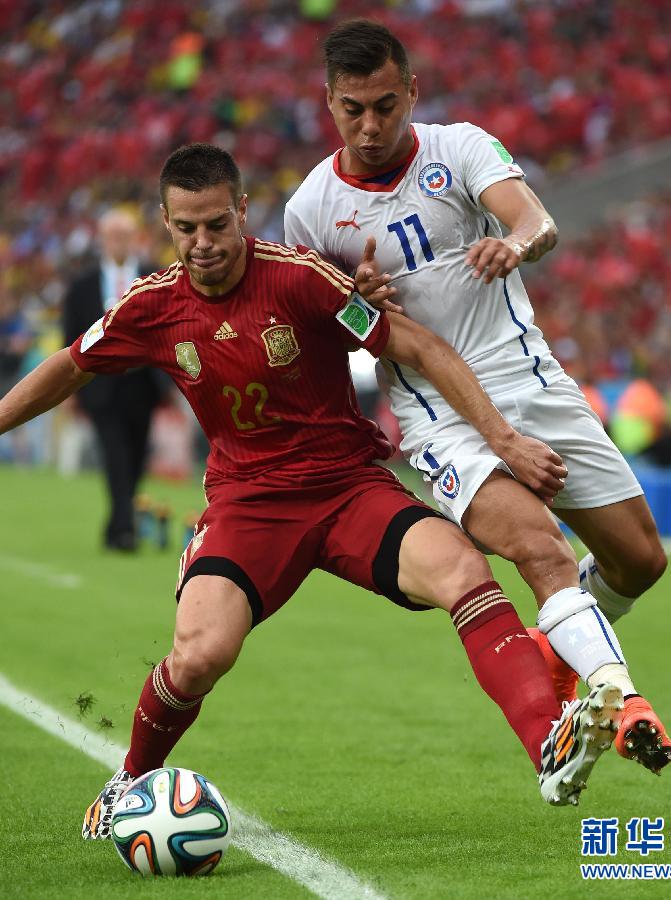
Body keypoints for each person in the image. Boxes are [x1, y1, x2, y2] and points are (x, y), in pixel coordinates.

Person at [0, 144, 625, 840]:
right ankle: (131, 778)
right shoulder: (152, 306)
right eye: (186, 228)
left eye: (216, 224)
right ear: (165, 223)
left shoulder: (301, 281)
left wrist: (501, 439)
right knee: (200, 656)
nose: (203, 243)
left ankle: (549, 744)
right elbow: (70, 365)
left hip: (349, 488)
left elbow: (413, 346)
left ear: (242, 211)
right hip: (248, 505)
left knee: (463, 569)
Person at [284, 19, 671, 773]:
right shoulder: (310, 210)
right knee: (542, 551)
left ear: (412, 93)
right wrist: (358, 302)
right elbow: (330, 330)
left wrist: (515, 242)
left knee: (640, 562)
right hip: (440, 416)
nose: (371, 125)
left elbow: (536, 218)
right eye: (353, 109)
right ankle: (620, 700)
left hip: (531, 378)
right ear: (329, 103)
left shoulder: (458, 146)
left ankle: (563, 646)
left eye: (386, 106)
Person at [62, 208, 166, 551]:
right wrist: (70, 389)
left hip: (143, 383)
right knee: (115, 455)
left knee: (136, 457)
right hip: (102, 385)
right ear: (103, 240)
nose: (118, 242)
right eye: (112, 236)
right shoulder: (82, 286)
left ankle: (116, 523)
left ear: (134, 238)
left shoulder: (155, 278)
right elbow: (71, 336)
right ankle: (125, 531)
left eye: (124, 235)